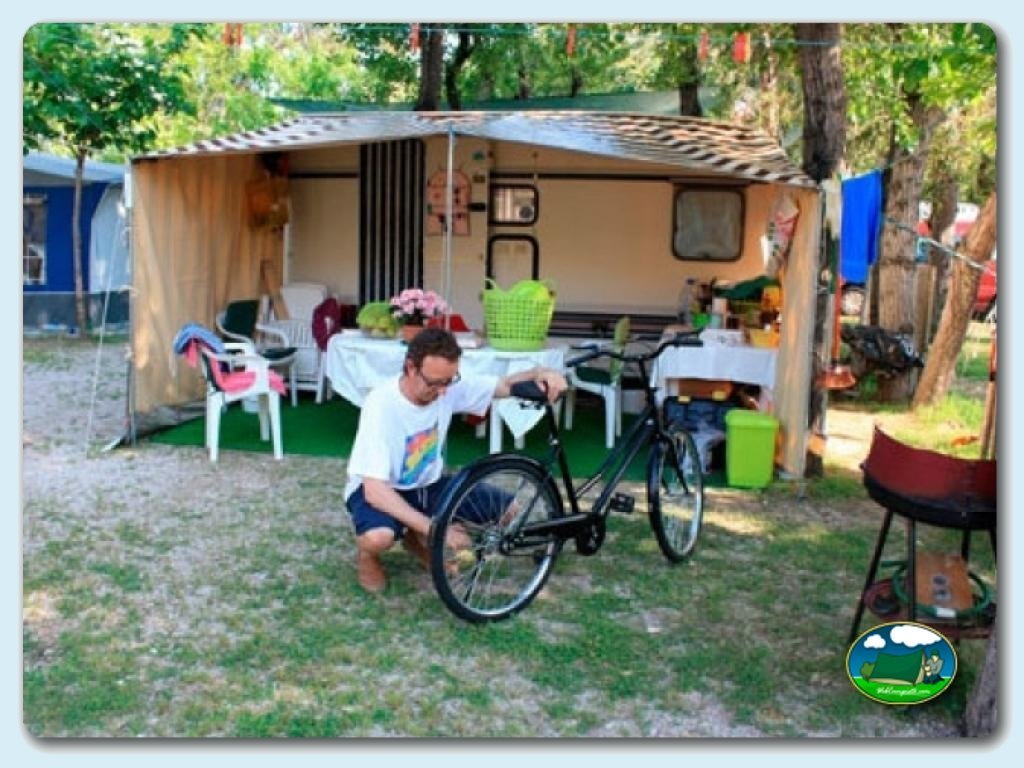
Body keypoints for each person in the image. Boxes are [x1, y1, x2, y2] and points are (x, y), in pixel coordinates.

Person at [344, 327, 566, 592]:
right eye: (434, 383)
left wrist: (542, 373)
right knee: (378, 538)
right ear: (411, 368)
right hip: (382, 489)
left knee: (510, 511)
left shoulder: (446, 386)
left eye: (448, 381)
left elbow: (504, 385)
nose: (441, 391)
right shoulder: (380, 404)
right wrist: (437, 529)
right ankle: (369, 556)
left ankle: (416, 539)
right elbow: (375, 490)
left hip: (429, 485)